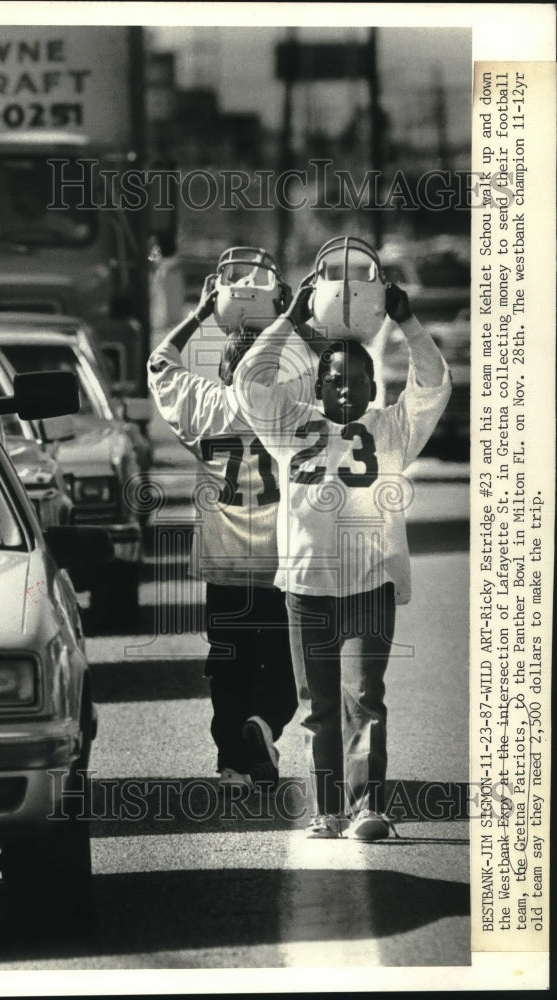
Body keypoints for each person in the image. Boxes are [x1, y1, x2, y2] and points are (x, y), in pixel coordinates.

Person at [231, 280, 451, 838]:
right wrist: (291, 321)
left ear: (373, 385)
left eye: (357, 382)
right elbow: (247, 381)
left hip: (369, 583)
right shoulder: (288, 423)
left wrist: (407, 322)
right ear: (318, 385)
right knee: (319, 704)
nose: (346, 392)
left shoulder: (392, 428)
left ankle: (368, 806)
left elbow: (432, 385)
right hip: (307, 585)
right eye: (335, 381)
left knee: (364, 697)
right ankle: (328, 811)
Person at [147, 269, 299, 792]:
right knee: (281, 665)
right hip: (282, 559)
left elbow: (158, 363)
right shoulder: (291, 409)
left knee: (227, 662)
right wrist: (294, 316)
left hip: (224, 557)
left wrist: (200, 314)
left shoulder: (205, 404)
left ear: (224, 370)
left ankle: (233, 761)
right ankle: (264, 725)